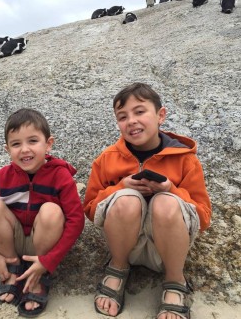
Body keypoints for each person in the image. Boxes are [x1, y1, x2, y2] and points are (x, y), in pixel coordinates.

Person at [83, 82, 211, 319]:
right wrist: (121, 187)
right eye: (122, 116)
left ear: (161, 115)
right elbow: (90, 209)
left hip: (168, 252)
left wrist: (170, 189)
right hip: (124, 247)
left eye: (140, 111)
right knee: (126, 199)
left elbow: (203, 217)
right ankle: (118, 269)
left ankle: (174, 280)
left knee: (165, 202)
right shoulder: (106, 159)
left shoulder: (185, 159)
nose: (131, 120)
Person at [0, 108, 85, 317]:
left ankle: (37, 275)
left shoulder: (60, 175)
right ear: (7, 149)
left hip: (44, 243)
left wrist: (49, 260)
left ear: (48, 143)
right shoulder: (3, 177)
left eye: (32, 141)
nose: (25, 150)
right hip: (13, 241)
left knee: (51, 211)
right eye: (16, 144)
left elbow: (76, 221)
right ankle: (13, 270)